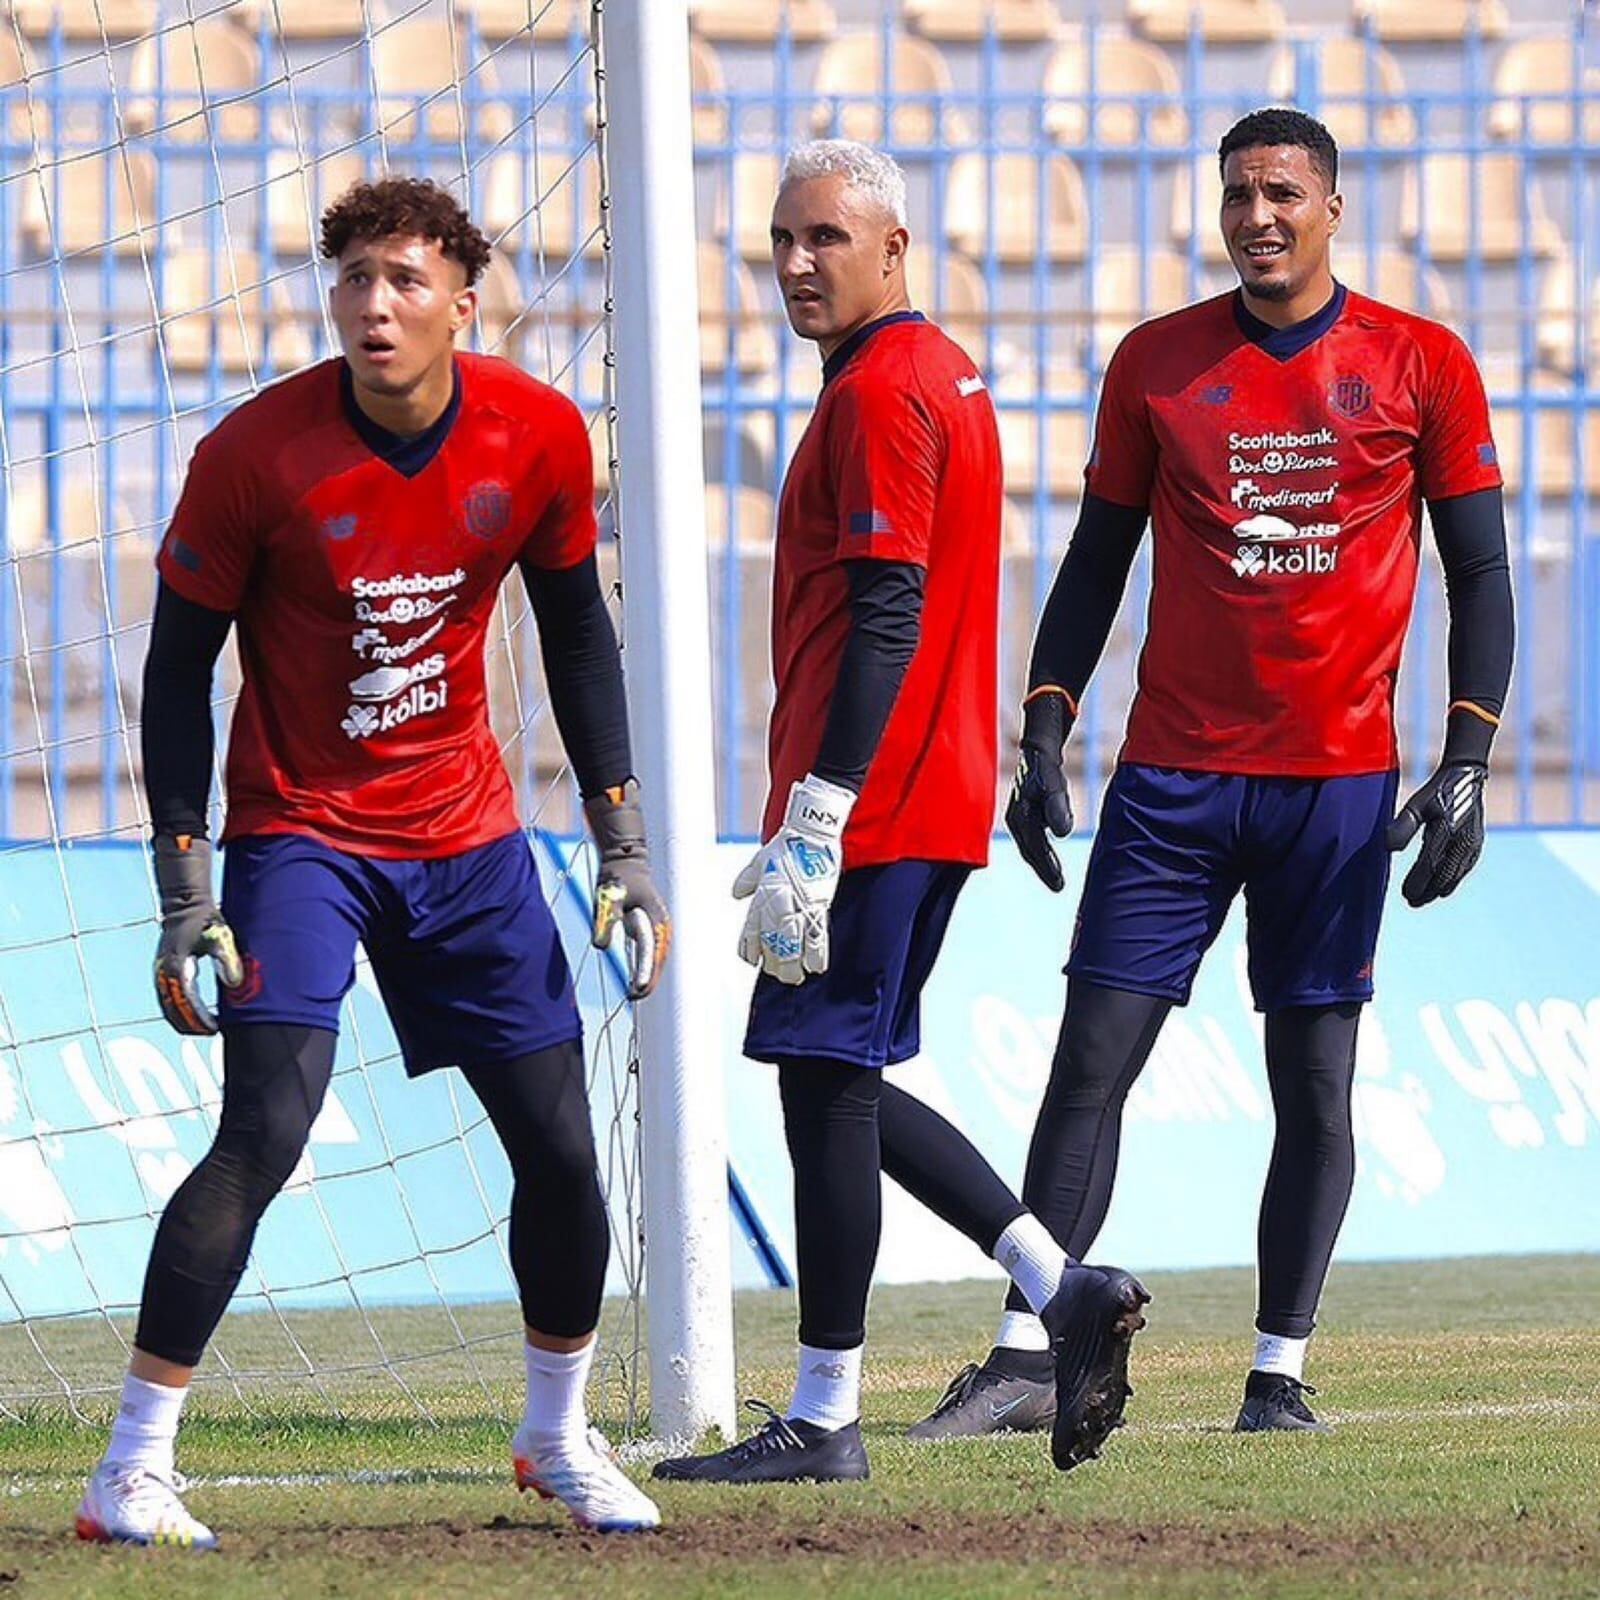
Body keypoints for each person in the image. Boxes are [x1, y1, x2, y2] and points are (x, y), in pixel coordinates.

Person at [76, 178, 671, 1547]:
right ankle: (130, 1465)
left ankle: (555, 1434)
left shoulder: (536, 435)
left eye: (404, 279)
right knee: (266, 1132)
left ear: (467, 301)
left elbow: (578, 639)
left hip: (467, 837)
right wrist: (185, 890)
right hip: (303, 834)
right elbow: (175, 677)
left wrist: (623, 843)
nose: (374, 303)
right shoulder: (252, 456)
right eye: (352, 277)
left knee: (565, 1156)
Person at [913, 107, 1514, 1439]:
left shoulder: (1422, 364)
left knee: (1315, 1085)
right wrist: (1046, 726)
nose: (1259, 214)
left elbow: (1479, 570)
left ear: (1331, 207)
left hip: (1338, 788)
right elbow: (1096, 562)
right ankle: (1025, 1356)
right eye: (1239, 192)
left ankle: (1278, 1375)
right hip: (1174, 783)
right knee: (1091, 1061)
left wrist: (1469, 757)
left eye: (1284, 192)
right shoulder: (1157, 365)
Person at [654, 140, 1147, 1488]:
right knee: (836, 1075)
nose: (798, 263)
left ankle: (826, 1417)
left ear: (894, 248)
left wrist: (821, 805)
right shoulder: (941, 374)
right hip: (913, 798)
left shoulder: (883, 390)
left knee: (824, 1077)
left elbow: (887, 608)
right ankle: (1061, 1288)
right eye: (781, 240)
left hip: (877, 806)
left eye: (826, 237)